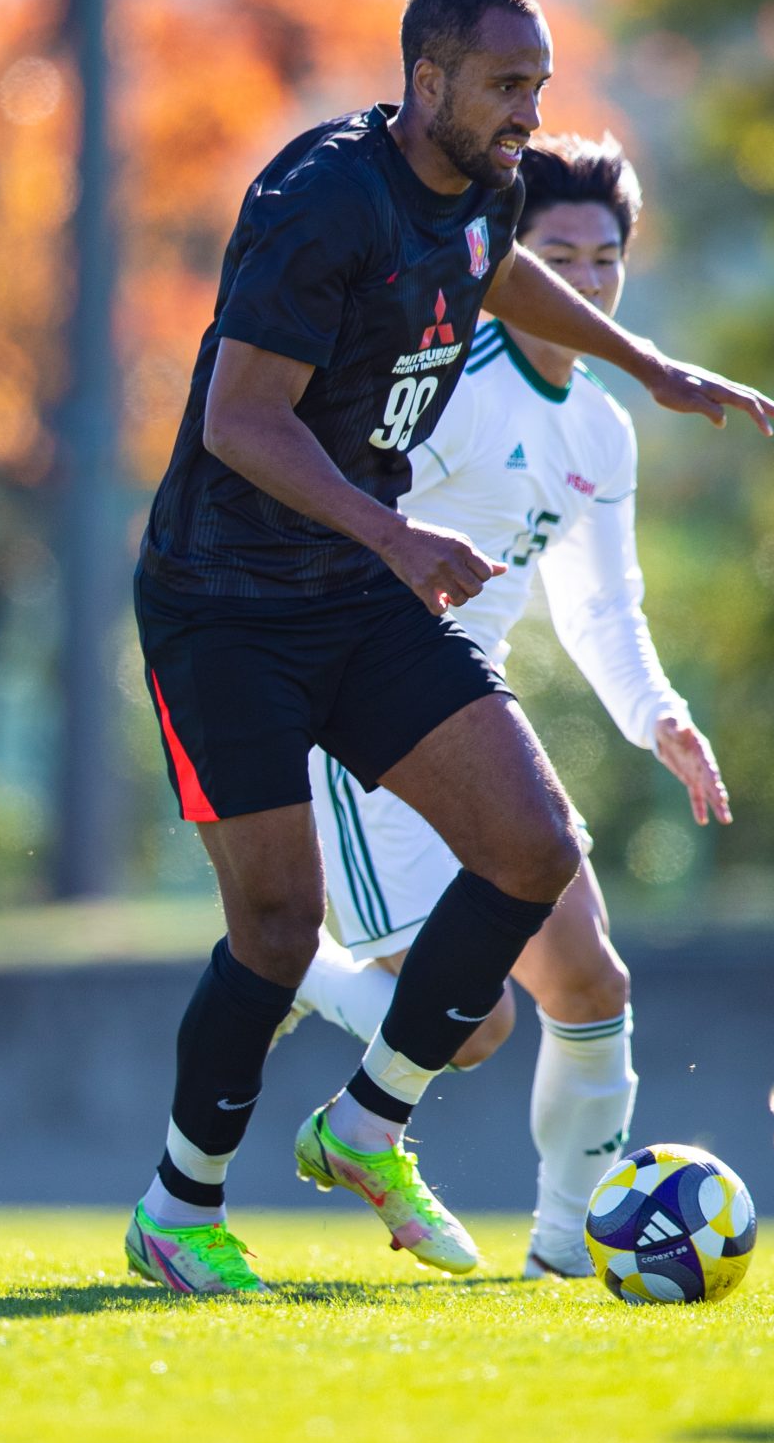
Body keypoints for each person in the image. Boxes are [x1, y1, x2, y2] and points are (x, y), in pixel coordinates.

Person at [125, 0, 774, 1297]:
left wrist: (646, 366)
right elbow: (237, 421)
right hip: (226, 601)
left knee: (535, 845)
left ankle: (367, 1122)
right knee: (274, 923)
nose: (525, 113)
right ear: (424, 79)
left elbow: (502, 275)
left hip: (352, 591)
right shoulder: (322, 204)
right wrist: (397, 534)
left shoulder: (485, 191)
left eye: (537, 87)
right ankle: (177, 1205)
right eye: (503, 85)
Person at [291, 132, 728, 1279]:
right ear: (507, 258)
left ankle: (564, 1259)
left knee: (591, 981)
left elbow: (600, 610)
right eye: (558, 256)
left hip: (475, 712)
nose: (585, 283)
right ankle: (283, 957)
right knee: (475, 1026)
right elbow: (328, 512)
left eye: (605, 261)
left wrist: (661, 716)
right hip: (370, 715)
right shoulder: (444, 384)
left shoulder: (599, 424)